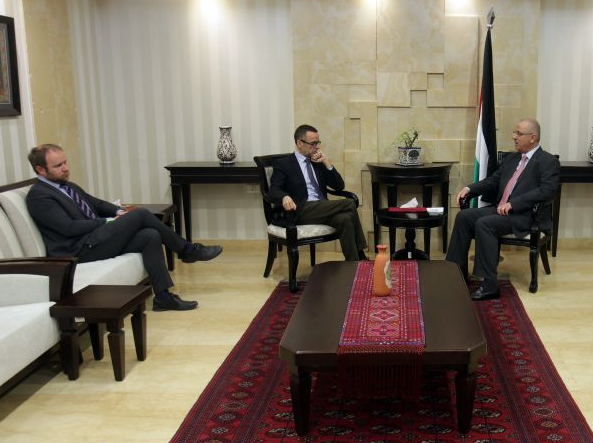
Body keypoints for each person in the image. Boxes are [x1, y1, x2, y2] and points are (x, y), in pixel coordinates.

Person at [25, 144, 223, 311]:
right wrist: (108, 221)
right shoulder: (39, 195)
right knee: (140, 214)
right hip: (78, 250)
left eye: (65, 162)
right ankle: (187, 250)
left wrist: (119, 211)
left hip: (93, 239)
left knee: (149, 235)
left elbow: (96, 203)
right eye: (58, 165)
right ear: (40, 170)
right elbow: (68, 228)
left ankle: (163, 298)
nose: (65, 168)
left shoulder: (66, 185)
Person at [446, 118, 559, 301]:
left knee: (484, 224)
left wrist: (514, 203)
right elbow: (493, 181)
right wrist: (470, 188)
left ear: (533, 137)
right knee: (464, 217)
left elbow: (546, 191)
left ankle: (490, 285)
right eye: (515, 133)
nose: (514, 137)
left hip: (525, 215)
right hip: (500, 209)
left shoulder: (547, 161)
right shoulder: (512, 159)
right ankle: (456, 273)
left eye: (519, 133)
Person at [267, 124, 367, 261]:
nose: (317, 147)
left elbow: (339, 186)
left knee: (345, 219)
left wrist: (326, 162)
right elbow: (273, 190)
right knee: (349, 203)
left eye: (318, 143)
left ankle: (353, 264)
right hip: (300, 209)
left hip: (322, 208)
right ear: (299, 143)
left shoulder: (317, 162)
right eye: (313, 143)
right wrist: (284, 197)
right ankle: (361, 254)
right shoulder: (284, 164)